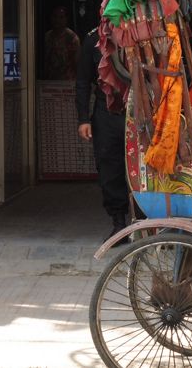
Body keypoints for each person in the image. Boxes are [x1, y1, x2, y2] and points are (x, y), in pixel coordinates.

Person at [76, 28, 130, 245]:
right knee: (109, 168)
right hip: (105, 113)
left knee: (145, 168)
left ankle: (147, 223)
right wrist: (83, 119)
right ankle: (119, 224)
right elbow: (82, 81)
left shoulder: (143, 31)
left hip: (139, 111)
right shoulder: (93, 39)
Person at [44, 6, 80, 80]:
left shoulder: (72, 38)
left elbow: (77, 63)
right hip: (50, 80)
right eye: (55, 16)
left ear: (66, 19)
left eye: (61, 17)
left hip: (68, 81)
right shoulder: (47, 36)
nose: (57, 20)